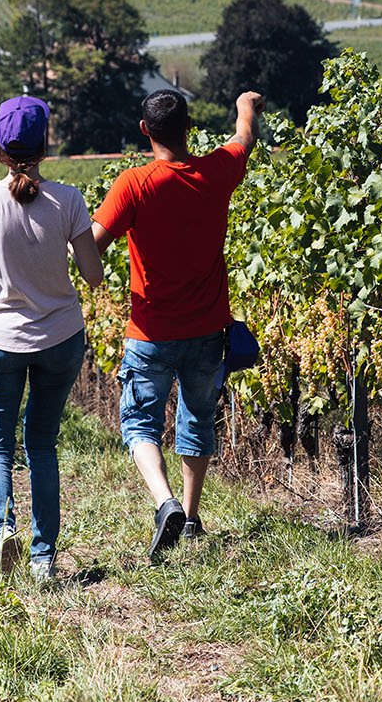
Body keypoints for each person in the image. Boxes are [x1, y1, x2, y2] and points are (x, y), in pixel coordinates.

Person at [91, 88, 264, 560]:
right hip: (208, 329)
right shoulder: (217, 170)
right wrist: (245, 105)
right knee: (198, 418)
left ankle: (163, 501)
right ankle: (189, 516)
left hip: (150, 331)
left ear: (144, 130)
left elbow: (93, 244)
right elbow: (244, 138)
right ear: (189, 127)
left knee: (139, 422)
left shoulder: (133, 184)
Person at [0, 95, 104, 583]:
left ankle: (1, 531)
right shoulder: (70, 200)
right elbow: (93, 275)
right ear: (45, 145)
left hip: (0, 342)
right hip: (61, 338)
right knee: (42, 444)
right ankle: (43, 558)